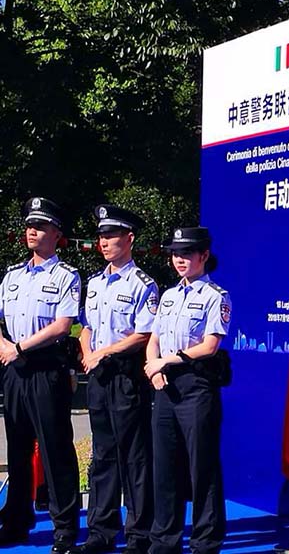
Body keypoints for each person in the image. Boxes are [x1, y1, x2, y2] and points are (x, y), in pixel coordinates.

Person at [70, 205, 159, 554]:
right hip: (99, 377)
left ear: (129, 238)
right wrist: (88, 350)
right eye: (102, 236)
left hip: (125, 375)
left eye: (111, 235)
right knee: (102, 455)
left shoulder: (142, 284)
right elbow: (87, 325)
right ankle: (101, 530)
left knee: (134, 456)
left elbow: (143, 333)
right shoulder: (94, 282)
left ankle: (138, 533)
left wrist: (103, 353)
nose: (104, 242)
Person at [143, 227, 232, 554]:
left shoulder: (215, 296)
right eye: (175, 254)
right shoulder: (167, 296)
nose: (179, 259)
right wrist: (153, 368)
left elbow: (210, 345)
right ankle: (163, 539)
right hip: (164, 385)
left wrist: (167, 360)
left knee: (202, 464)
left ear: (204, 256)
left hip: (196, 385)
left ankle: (206, 541)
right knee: (164, 465)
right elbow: (153, 339)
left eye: (187, 253)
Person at [0, 196, 81, 553]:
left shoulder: (66, 276)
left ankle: (65, 527)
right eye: (30, 225)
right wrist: (5, 346)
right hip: (14, 368)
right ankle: (17, 520)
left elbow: (63, 325)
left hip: (46, 366)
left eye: (42, 226)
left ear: (56, 234)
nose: (33, 231)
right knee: (17, 449)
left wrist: (19, 347)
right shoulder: (12, 275)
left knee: (55, 448)